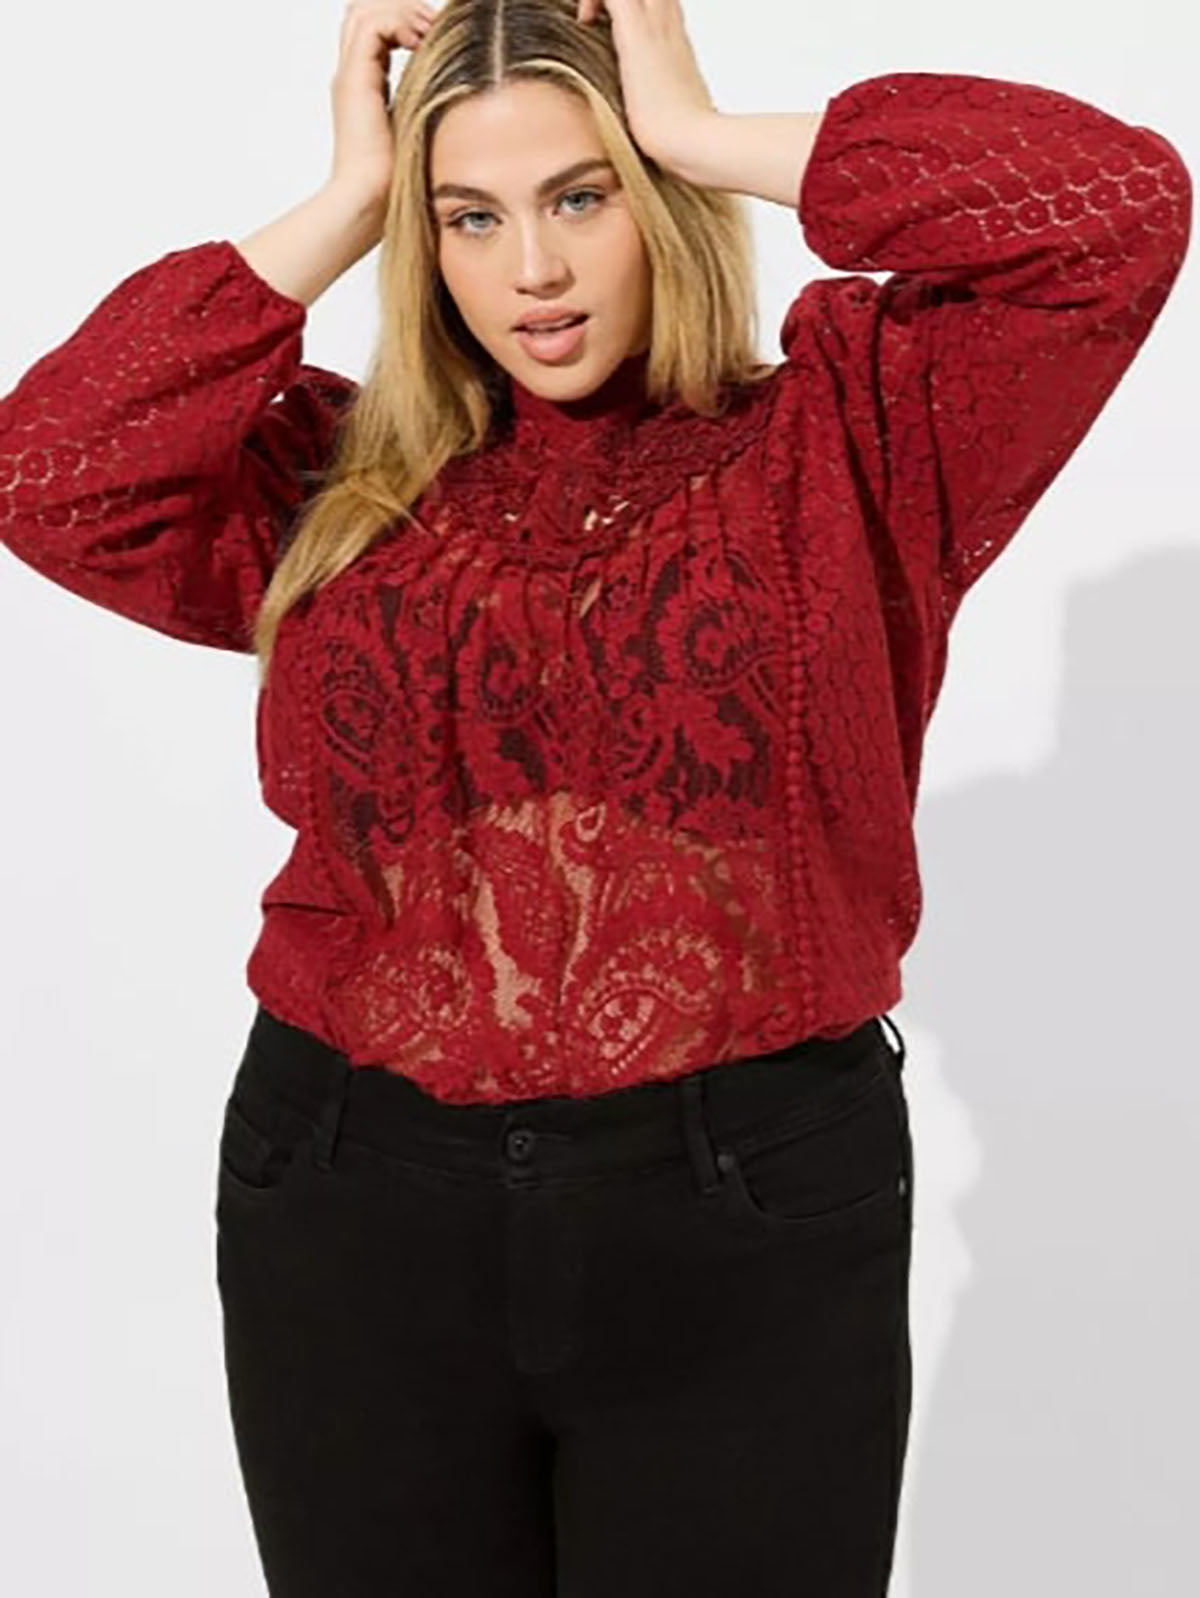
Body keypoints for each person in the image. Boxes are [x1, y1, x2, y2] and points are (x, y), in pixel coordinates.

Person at [1, 0, 1191, 1592]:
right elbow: (46, 468)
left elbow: (1115, 210)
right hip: (351, 1202)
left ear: (657, 198)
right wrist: (351, 198)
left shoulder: (849, 439)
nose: (534, 271)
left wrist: (699, 128)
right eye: (469, 218)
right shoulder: (334, 486)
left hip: (748, 1206)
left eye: (583, 194)